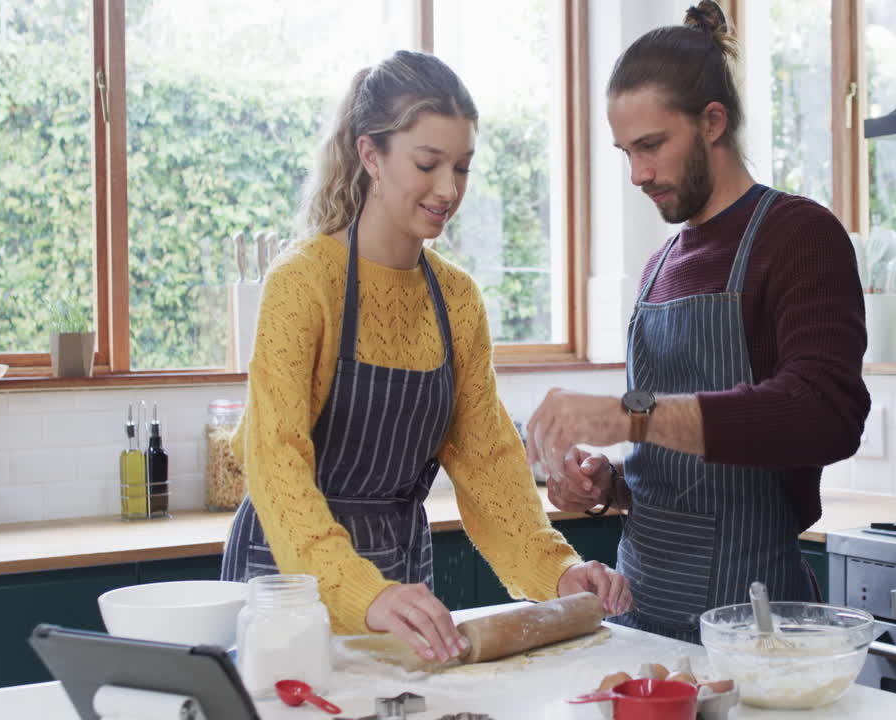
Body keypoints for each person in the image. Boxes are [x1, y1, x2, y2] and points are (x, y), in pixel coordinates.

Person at [220, 51, 631, 664]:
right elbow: (275, 465)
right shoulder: (303, 284)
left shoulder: (456, 299)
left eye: (462, 167)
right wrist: (362, 591)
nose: (449, 189)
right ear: (369, 155)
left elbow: (490, 466)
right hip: (289, 580)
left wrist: (558, 573)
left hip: (401, 577)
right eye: (428, 164)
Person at [525, 1, 870, 643]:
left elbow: (828, 413)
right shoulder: (661, 265)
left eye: (652, 146)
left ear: (713, 121)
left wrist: (627, 413)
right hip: (635, 620)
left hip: (751, 630)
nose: (638, 174)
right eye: (626, 151)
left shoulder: (799, 236)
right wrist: (610, 484)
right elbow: (678, 463)